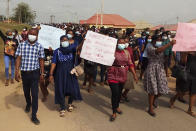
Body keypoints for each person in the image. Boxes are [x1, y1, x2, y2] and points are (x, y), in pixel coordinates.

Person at [15, 28, 45, 125]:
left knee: (35, 94)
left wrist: (42, 73)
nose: (32, 35)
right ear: (28, 34)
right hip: (24, 73)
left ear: (37, 36)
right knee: (26, 92)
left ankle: (34, 115)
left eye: (34, 34)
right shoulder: (22, 45)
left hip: (35, 73)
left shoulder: (40, 46)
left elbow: (41, 60)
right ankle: (28, 103)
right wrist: (16, 71)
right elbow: (18, 58)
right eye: (30, 34)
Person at [49, 35, 82, 117]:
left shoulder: (73, 50)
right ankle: (62, 107)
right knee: (61, 90)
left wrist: (83, 42)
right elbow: (54, 63)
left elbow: (79, 48)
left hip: (71, 73)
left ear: (68, 41)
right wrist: (51, 74)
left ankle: (70, 103)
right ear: (60, 42)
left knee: (72, 89)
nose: (64, 41)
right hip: (60, 74)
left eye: (66, 40)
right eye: (62, 40)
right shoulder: (57, 51)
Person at [144, 35, 176, 117]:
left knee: (162, 89)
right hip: (152, 69)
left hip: (160, 69)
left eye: (160, 40)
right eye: (158, 40)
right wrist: (169, 44)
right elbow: (158, 51)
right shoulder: (149, 47)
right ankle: (150, 108)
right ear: (153, 40)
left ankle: (154, 99)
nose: (159, 41)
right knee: (152, 89)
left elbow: (164, 57)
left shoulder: (162, 46)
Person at [107, 38, 138, 122]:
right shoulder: (112, 52)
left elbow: (130, 64)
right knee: (115, 93)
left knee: (119, 93)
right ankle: (114, 112)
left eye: (123, 43)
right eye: (120, 43)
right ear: (117, 44)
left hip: (123, 74)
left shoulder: (127, 52)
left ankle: (116, 106)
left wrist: (135, 75)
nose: (122, 44)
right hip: (113, 74)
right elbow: (106, 61)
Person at [170, 52, 196, 117]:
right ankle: (173, 99)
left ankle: (190, 110)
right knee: (183, 91)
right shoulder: (187, 50)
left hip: (195, 74)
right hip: (188, 73)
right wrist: (186, 54)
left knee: (194, 92)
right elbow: (183, 62)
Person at [121, 37, 137, 102]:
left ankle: (124, 94)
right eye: (125, 41)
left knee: (129, 84)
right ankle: (119, 96)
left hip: (129, 68)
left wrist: (134, 70)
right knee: (121, 84)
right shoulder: (118, 50)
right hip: (121, 69)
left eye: (127, 42)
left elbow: (132, 59)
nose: (126, 43)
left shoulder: (130, 49)